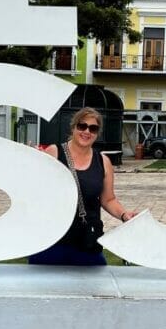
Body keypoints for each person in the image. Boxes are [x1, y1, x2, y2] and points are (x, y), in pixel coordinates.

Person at [29, 107, 137, 266]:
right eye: (82, 126)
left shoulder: (103, 161)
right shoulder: (54, 152)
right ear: (73, 127)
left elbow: (108, 199)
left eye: (93, 128)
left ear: (97, 133)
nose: (87, 131)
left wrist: (123, 214)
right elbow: (37, 191)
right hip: (52, 240)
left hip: (87, 240)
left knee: (95, 286)